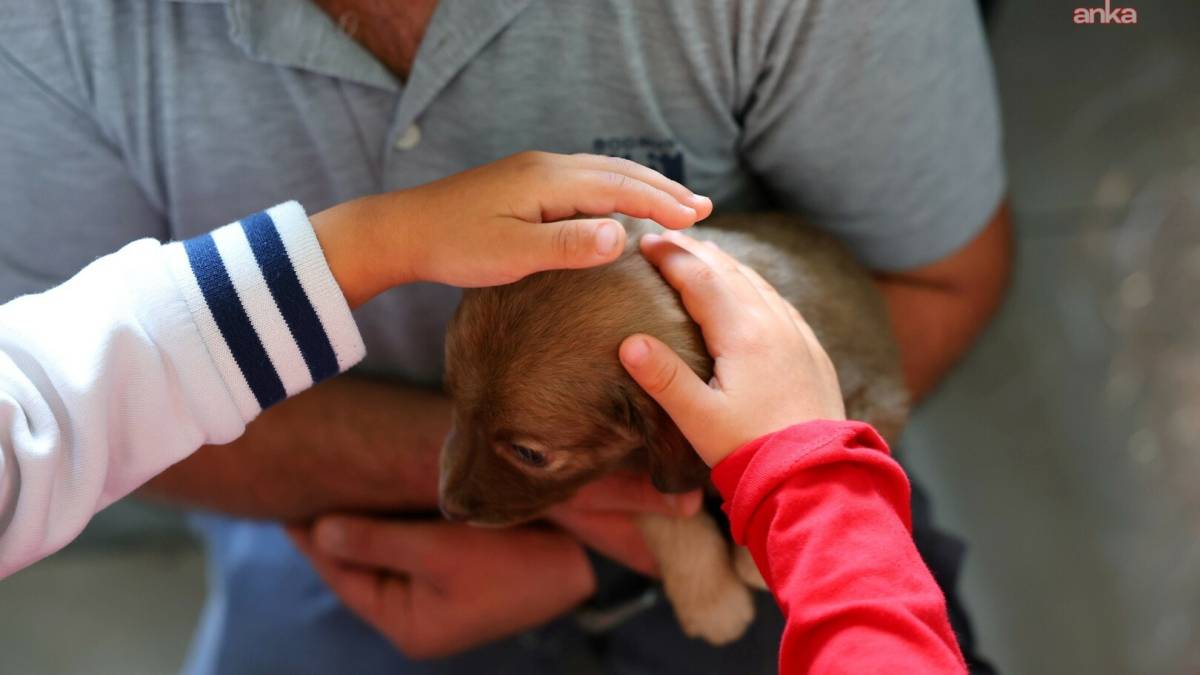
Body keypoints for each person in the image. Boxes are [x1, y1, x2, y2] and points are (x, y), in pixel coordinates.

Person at [1, 1, 1012, 673]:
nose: (462, 487)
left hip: (744, 520)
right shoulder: (50, 35)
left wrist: (611, 557)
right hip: (326, 520)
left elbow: (930, 284)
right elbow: (76, 415)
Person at [0, 152, 709, 578]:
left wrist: (385, 238)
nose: (455, 494)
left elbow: (58, 405)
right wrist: (381, 239)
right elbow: (74, 409)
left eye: (525, 449)